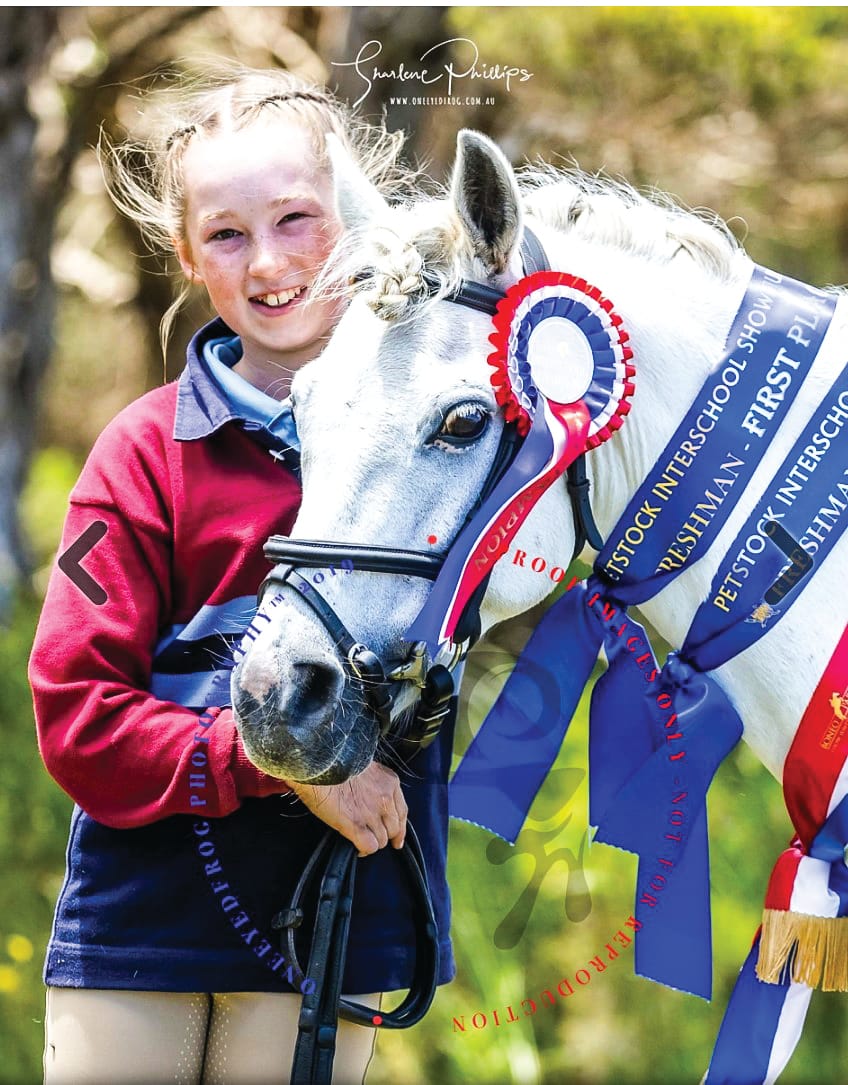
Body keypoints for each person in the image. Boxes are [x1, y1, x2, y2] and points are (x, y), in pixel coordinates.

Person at [28, 64, 456, 1085]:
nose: (268, 261)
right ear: (187, 255)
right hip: (145, 920)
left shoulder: (441, 443)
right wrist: (280, 765)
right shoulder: (142, 452)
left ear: (352, 219)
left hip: (339, 913)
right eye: (225, 233)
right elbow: (78, 714)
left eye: (297, 219)